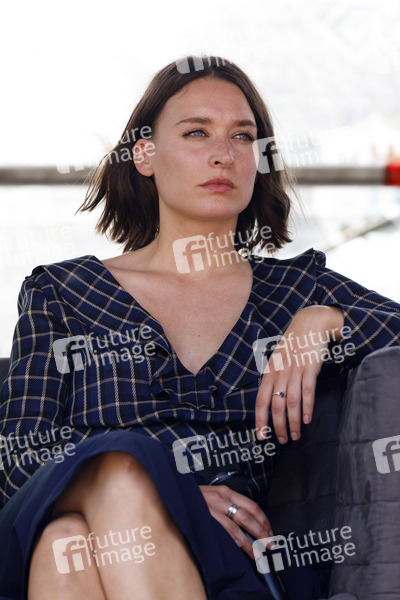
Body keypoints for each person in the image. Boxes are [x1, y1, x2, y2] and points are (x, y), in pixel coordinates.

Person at [0, 56, 399, 600]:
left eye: (243, 136)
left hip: (227, 562)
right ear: (144, 154)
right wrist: (173, 494)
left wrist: (326, 321)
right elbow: (20, 457)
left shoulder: (297, 291)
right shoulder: (63, 292)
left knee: (64, 547)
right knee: (116, 477)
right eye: (196, 132)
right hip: (60, 524)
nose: (223, 154)